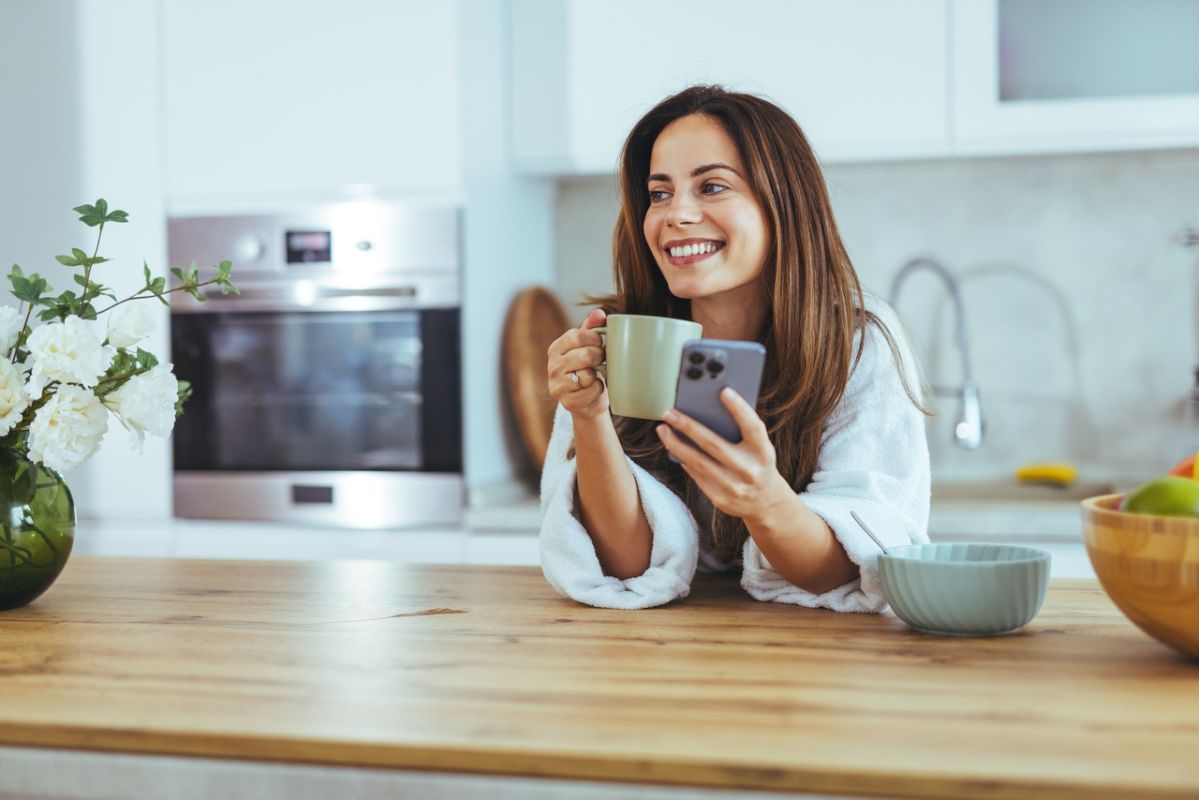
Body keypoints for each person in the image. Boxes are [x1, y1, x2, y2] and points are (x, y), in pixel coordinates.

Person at [539, 85, 930, 612]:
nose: (676, 214)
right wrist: (589, 417)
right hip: (653, 646)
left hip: (805, 647)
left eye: (712, 186)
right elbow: (626, 566)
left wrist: (764, 499)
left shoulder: (855, 340)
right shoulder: (621, 338)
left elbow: (847, 569)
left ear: (783, 203)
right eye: (659, 193)